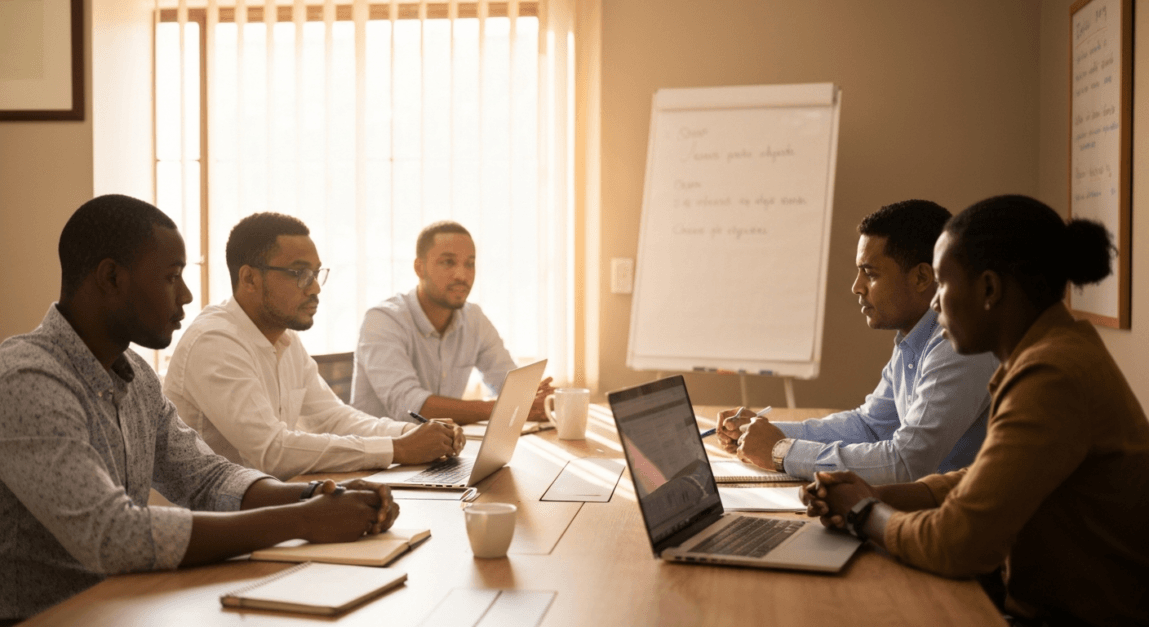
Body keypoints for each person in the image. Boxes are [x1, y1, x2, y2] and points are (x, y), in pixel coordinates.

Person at [0, 195, 400, 622]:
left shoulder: (135, 374)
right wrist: (303, 520)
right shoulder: (27, 380)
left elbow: (206, 478)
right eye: (171, 277)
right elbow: (113, 535)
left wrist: (317, 494)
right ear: (111, 278)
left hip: (123, 604)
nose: (187, 295)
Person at [803, 195, 1149, 626]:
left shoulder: (1051, 376)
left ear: (989, 289)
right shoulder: (1053, 353)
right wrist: (881, 495)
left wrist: (863, 512)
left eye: (943, 284)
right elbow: (990, 476)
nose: (934, 304)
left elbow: (956, 544)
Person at [164, 213, 463, 480]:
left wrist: (413, 432)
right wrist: (398, 448)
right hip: (211, 520)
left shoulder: (285, 339)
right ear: (250, 278)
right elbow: (272, 451)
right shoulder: (215, 341)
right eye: (300, 274)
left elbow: (333, 418)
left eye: (317, 273)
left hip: (264, 505)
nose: (315, 287)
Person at [718, 200, 997, 484]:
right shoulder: (913, 339)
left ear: (921, 277)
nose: (856, 287)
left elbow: (906, 463)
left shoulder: (957, 346)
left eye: (870, 273)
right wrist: (763, 432)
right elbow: (870, 426)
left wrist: (781, 451)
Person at [351, 221, 553, 425]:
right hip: (384, 444)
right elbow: (410, 407)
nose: (461, 275)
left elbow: (508, 383)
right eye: (448, 262)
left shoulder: (474, 319)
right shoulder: (382, 320)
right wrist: (509, 407)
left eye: (469, 264)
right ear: (420, 268)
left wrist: (536, 398)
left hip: (441, 443)